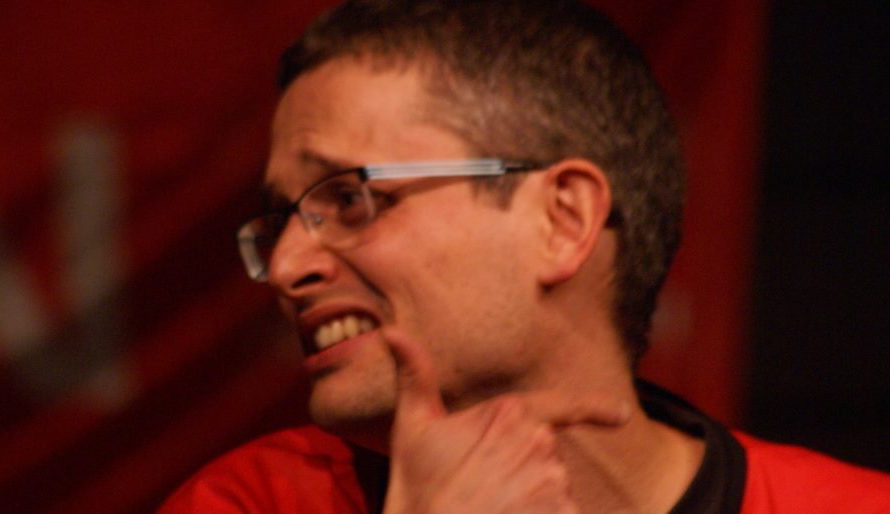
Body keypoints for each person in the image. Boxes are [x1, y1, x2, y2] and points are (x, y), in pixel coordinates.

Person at [160, 0, 890, 512]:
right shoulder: (246, 503)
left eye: (350, 198)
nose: (287, 267)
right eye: (282, 221)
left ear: (561, 219)